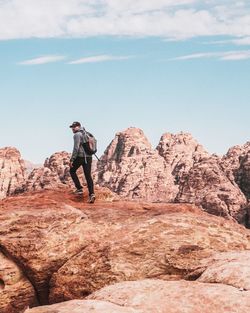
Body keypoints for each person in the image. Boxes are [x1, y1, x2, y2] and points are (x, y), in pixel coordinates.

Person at [69, 121, 95, 203]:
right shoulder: (88, 133)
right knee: (88, 176)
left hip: (80, 157)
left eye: (74, 127)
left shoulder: (77, 135)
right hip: (89, 157)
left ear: (78, 127)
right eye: (72, 127)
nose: (72, 129)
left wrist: (72, 159)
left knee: (72, 170)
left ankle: (79, 189)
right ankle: (92, 194)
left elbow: (76, 148)